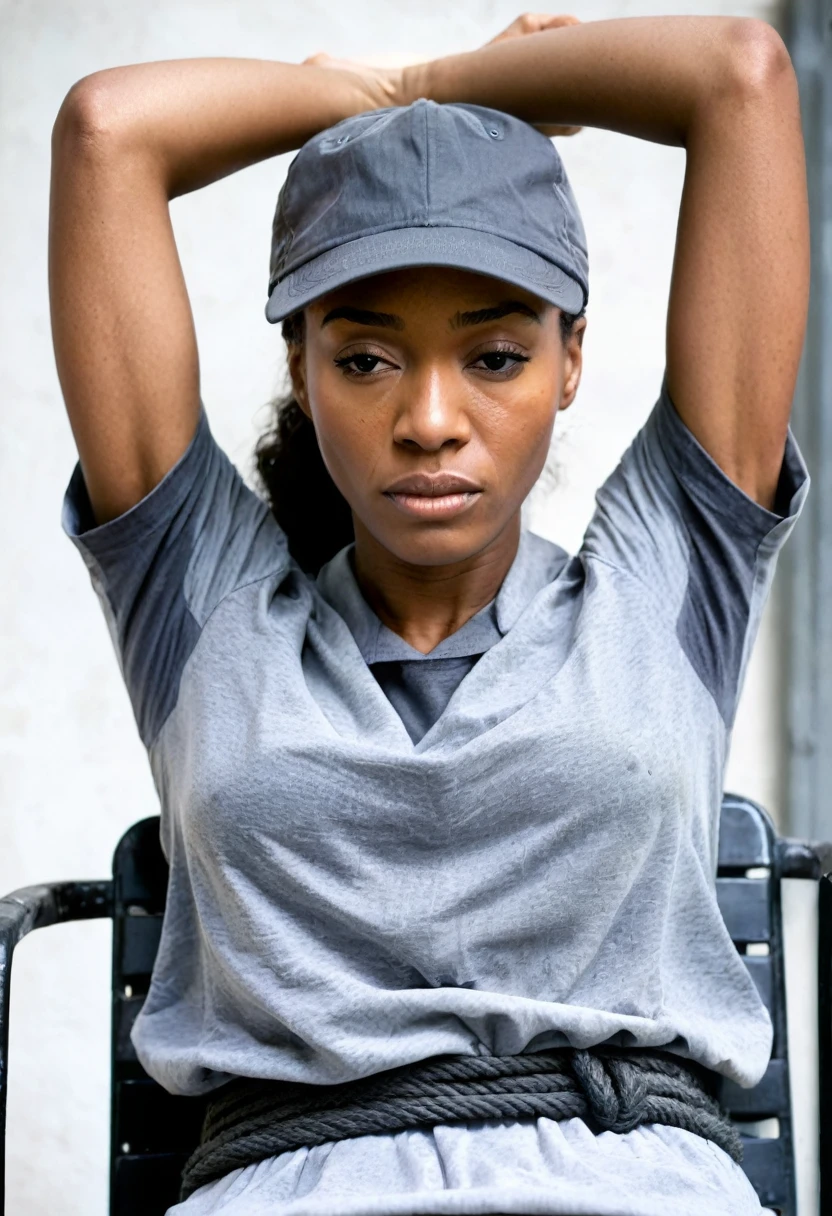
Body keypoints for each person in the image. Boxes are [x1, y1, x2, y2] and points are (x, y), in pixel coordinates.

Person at [49, 11, 810, 1216]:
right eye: (364, 360)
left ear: (569, 361)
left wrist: (443, 87)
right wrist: (370, 101)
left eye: (495, 357)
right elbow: (106, 132)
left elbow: (741, 76)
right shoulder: (203, 603)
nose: (430, 421)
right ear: (300, 365)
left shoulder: (664, 581)